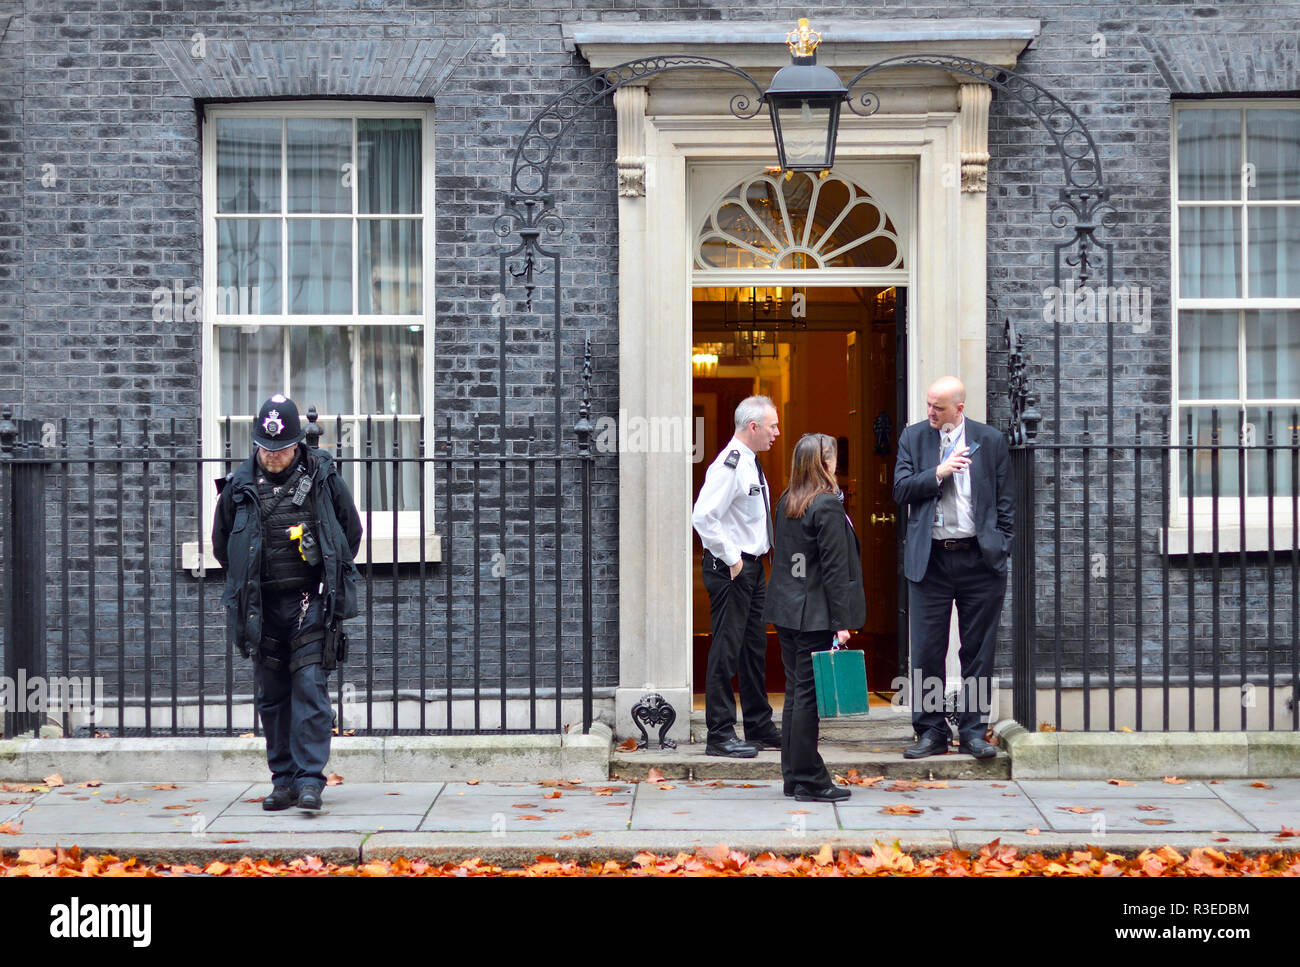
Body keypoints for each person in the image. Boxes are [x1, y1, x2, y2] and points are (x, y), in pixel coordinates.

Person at [213, 395, 363, 811]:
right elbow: (223, 546)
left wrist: (324, 561)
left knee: (311, 690)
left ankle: (310, 779)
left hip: (308, 602)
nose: (272, 455)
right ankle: (282, 780)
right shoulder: (239, 487)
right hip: (261, 606)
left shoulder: (322, 478)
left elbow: (350, 532)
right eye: (265, 447)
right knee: (273, 696)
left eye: (280, 449)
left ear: (296, 444)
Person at [893, 376, 1014, 759]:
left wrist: (1001, 545)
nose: (931, 412)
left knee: (978, 651)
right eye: (929, 405)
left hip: (979, 559)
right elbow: (900, 490)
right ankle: (930, 731)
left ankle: (973, 729)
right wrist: (939, 473)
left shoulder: (990, 440)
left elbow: (1006, 500)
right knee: (928, 650)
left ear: (959, 408)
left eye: (939, 407)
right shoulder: (913, 438)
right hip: (931, 559)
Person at [764, 433, 864, 803]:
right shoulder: (826, 505)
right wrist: (842, 622)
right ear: (826, 463)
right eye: (834, 459)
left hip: (788, 611)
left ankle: (794, 775)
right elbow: (835, 570)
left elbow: (789, 560)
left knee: (796, 693)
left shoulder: (786, 501)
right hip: (815, 615)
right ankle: (810, 778)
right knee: (807, 697)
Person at [691, 395, 783, 758]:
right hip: (734, 569)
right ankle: (720, 732)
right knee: (727, 650)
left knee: (753, 649)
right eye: (773, 426)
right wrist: (733, 560)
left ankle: (758, 724)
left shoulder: (750, 463)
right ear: (754, 426)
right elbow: (702, 516)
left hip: (753, 567)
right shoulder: (729, 465)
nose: (777, 432)